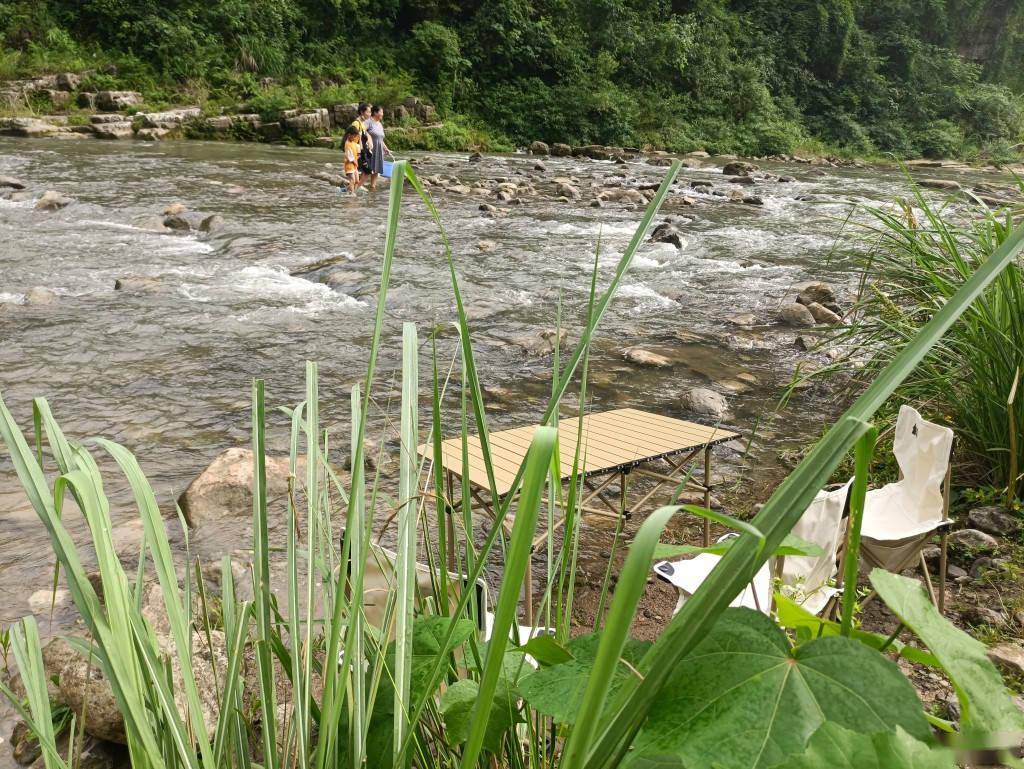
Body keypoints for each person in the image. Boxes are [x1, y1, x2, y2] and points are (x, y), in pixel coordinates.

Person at [364, 105, 393, 191]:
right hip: (370, 150)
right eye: (381, 112)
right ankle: (357, 185)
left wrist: (385, 148)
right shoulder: (368, 122)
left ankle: (373, 187)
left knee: (376, 170)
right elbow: (361, 131)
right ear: (375, 113)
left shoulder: (379, 124)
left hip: (379, 150)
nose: (382, 114)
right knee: (367, 170)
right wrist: (368, 137)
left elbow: (380, 138)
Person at [350, 102, 374, 186]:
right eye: (368, 112)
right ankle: (353, 190)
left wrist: (369, 143)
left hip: (362, 152)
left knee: (366, 172)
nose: (369, 114)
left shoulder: (362, 124)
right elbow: (351, 139)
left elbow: (365, 136)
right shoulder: (356, 124)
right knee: (367, 171)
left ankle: (350, 189)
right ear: (361, 112)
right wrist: (357, 153)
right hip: (358, 153)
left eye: (370, 112)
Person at [343, 125, 363, 194]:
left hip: (354, 165)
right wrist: (356, 162)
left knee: (357, 181)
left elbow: (359, 149)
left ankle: (346, 190)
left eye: (355, 136)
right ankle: (352, 194)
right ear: (349, 135)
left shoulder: (353, 142)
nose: (355, 138)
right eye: (354, 136)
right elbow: (350, 157)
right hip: (349, 165)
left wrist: (358, 156)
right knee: (352, 180)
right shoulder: (347, 144)